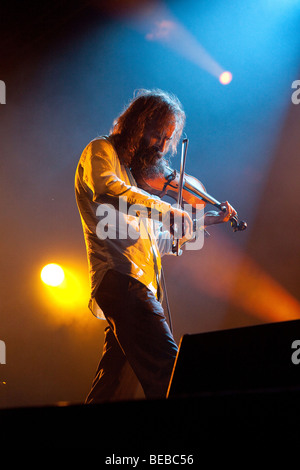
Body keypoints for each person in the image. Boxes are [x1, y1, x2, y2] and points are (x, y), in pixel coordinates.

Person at [75, 89, 236, 403]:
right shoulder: (100, 150)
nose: (162, 147)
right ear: (138, 125)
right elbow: (108, 190)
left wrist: (207, 221)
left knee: (112, 388)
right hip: (122, 281)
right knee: (171, 371)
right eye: (157, 136)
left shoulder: (136, 183)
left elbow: (158, 242)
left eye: (168, 140)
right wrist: (167, 209)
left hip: (137, 286)